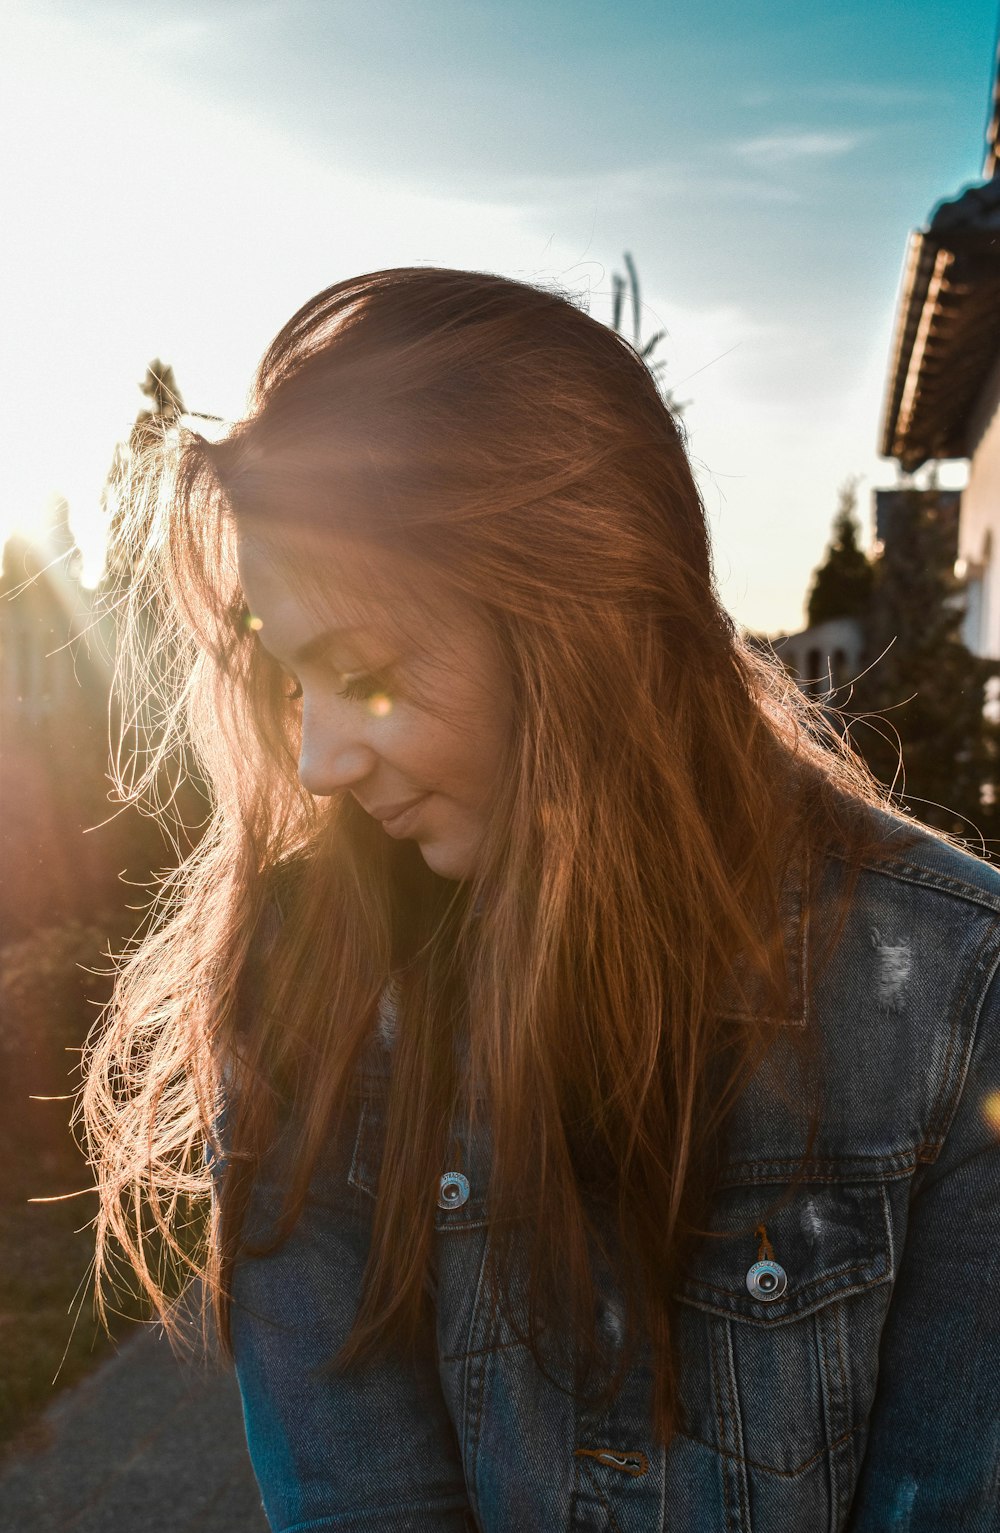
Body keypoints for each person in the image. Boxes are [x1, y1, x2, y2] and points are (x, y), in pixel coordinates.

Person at [83, 267, 1000, 1533]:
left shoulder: (957, 998)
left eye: (365, 674)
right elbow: (359, 1500)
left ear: (585, 631)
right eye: (297, 683)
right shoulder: (312, 978)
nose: (319, 763)